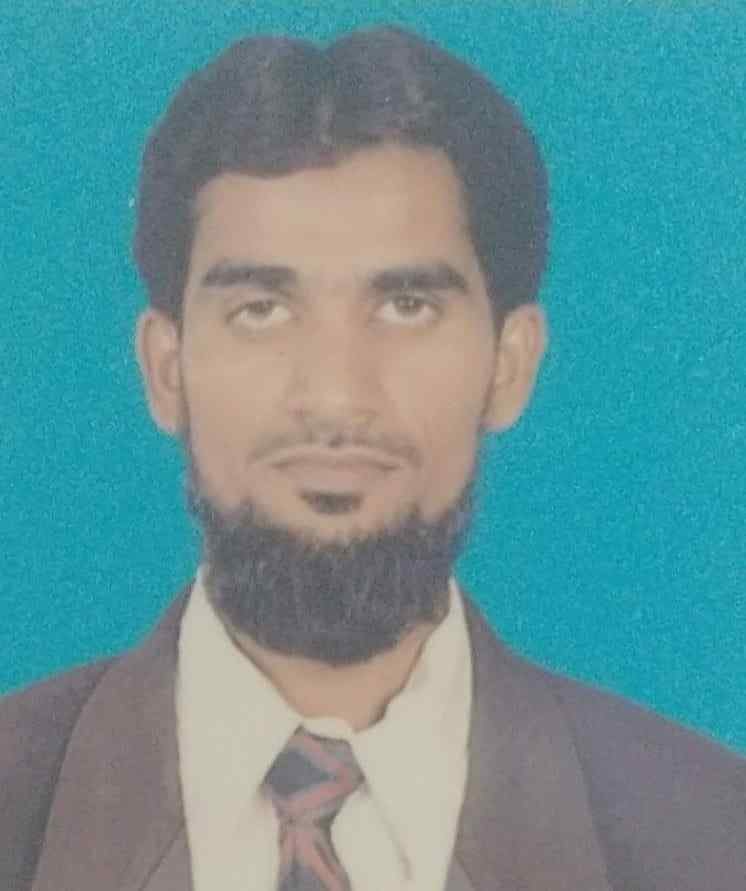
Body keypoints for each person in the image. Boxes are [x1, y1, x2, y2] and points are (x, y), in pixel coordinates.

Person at [1, 25, 743, 891]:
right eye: (261, 310)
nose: (334, 396)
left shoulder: (713, 834)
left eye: (406, 305)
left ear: (509, 365)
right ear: (167, 370)